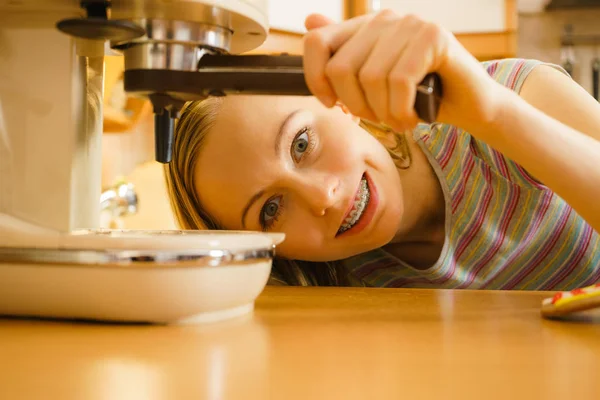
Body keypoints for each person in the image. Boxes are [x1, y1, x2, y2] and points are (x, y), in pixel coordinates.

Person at [164, 11, 600, 288]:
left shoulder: (515, 91)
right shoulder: (335, 282)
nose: (323, 198)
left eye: (301, 144)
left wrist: (495, 115)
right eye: (271, 209)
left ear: (338, 102)